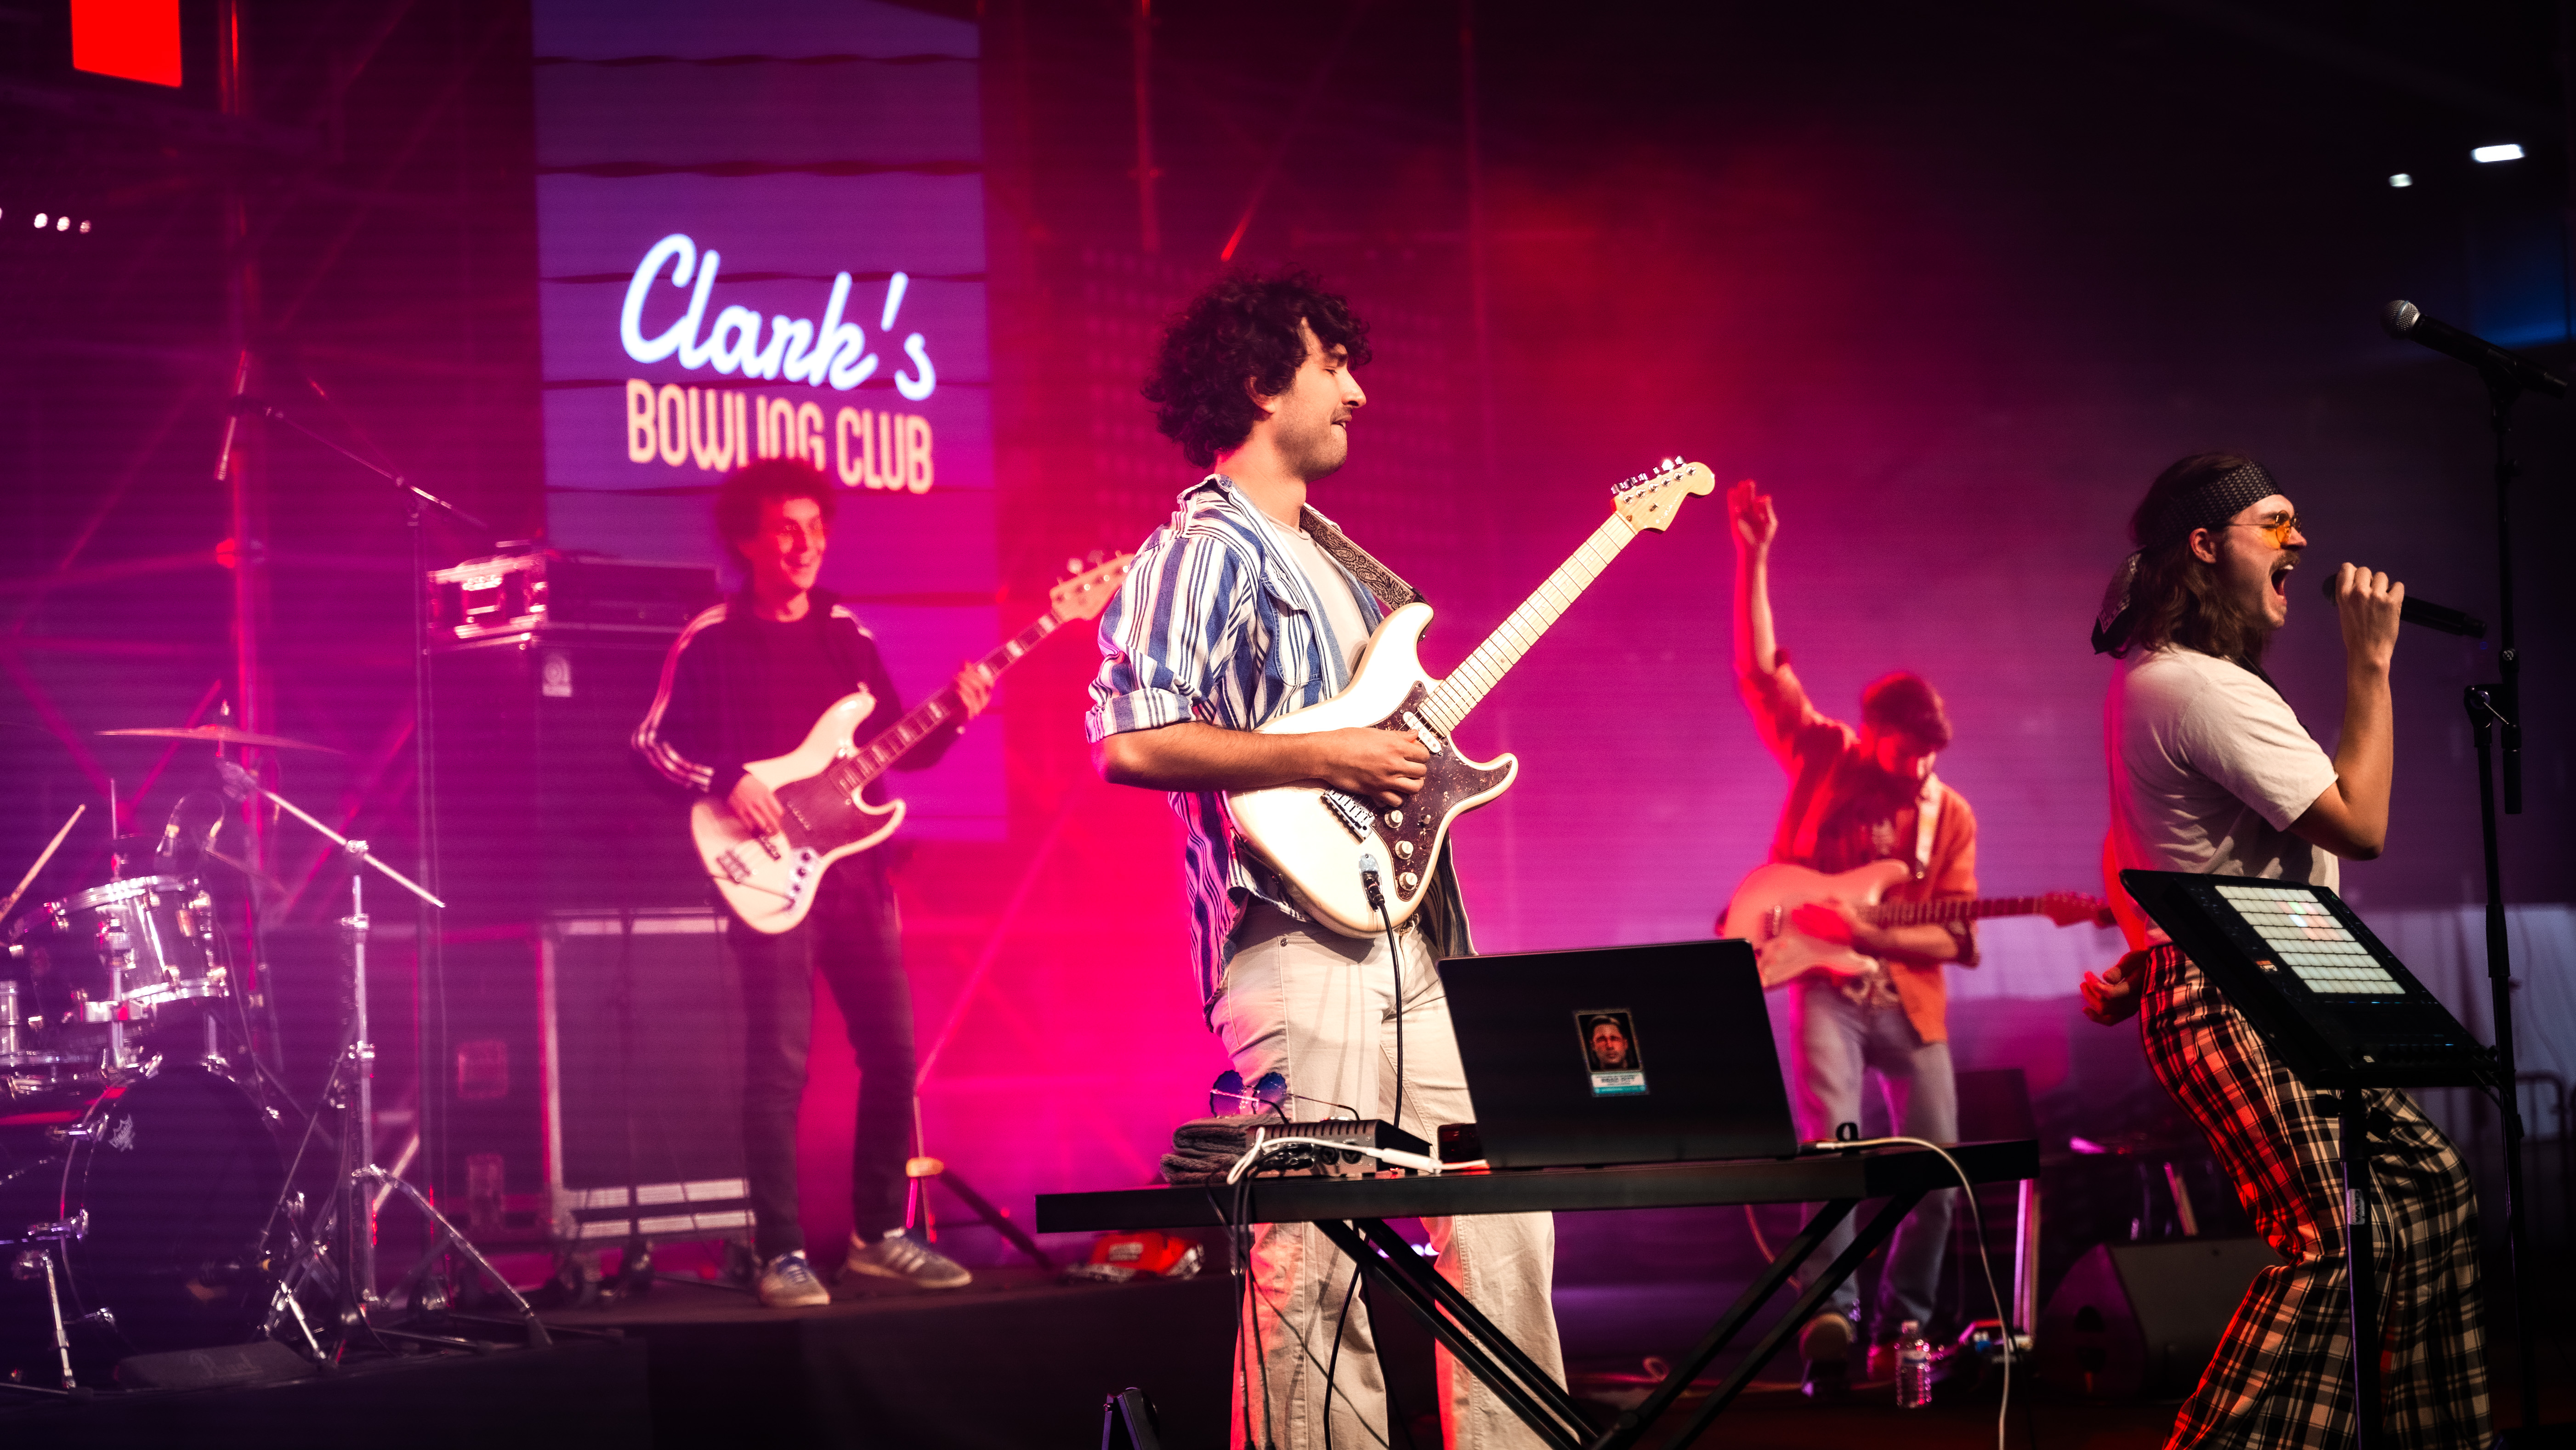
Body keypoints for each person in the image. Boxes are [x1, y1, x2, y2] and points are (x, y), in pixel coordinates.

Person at [1088, 271, 1563, 1450]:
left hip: (1411, 942)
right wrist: (1333, 756)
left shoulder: (1349, 568)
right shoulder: (1204, 547)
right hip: (1294, 945)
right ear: (1261, 383)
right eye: (1332, 366)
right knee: (1316, 1260)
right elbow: (1130, 741)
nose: (1357, 393)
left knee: (1505, 1209)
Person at [2080, 453, 2486, 1448]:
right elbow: (2360, 825)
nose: (2298, 540)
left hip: (2275, 976)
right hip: (2245, 989)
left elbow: (2121, 847)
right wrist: (2370, 665)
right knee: (2332, 1241)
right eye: (2274, 522)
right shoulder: (2196, 687)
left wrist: (2149, 951)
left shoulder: (2166, 680)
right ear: (2203, 545)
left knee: (2427, 1192)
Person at [634, 457, 993, 1308]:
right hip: (764, 879)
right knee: (780, 1068)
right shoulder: (710, 636)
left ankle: (879, 1236)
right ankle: (781, 1252)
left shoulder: (847, 634)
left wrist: (958, 713)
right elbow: (651, 746)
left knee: (893, 1056)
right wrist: (727, 779)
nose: (806, 545)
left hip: (855, 877)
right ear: (746, 542)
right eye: (786, 530)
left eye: (816, 528)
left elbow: (895, 746)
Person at [1725, 478, 1975, 1398]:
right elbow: (1761, 674)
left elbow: (1953, 938)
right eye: (1907, 754)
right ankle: (1829, 1317)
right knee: (1831, 1154)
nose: (1920, 771)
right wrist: (1753, 556)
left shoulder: (1949, 814)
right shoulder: (1825, 755)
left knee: (1937, 1172)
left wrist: (1880, 931)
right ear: (1871, 735)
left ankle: (1907, 1326)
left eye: (1931, 757)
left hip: (1909, 1004)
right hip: (1825, 991)